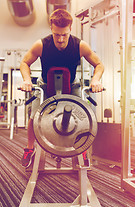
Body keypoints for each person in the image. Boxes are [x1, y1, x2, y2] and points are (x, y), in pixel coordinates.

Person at [20, 9, 104, 167]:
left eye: (64, 35)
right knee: (34, 115)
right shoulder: (41, 45)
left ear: (70, 29)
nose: (60, 39)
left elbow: (99, 64)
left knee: (84, 115)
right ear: (51, 28)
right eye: (57, 34)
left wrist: (96, 79)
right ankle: (29, 148)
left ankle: (82, 148)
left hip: (71, 85)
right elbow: (25, 63)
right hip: (45, 84)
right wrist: (26, 79)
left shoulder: (80, 46)